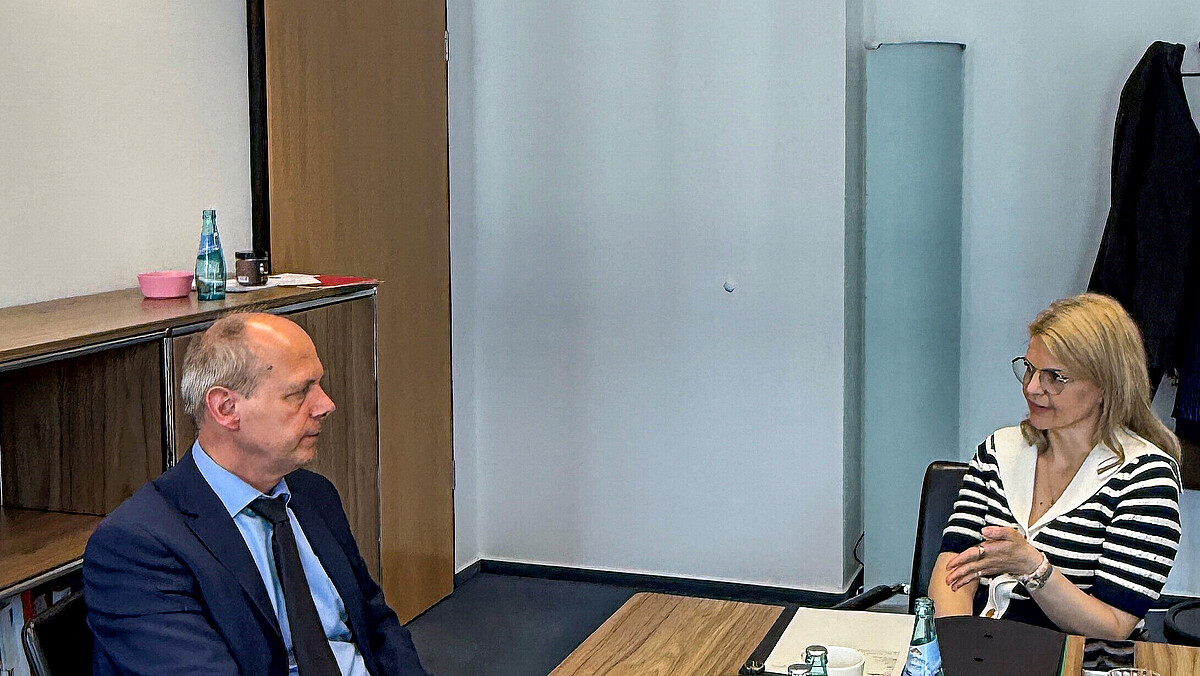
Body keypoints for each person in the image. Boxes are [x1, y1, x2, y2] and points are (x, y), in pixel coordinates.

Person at [84, 313, 429, 675]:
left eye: (319, 385)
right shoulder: (137, 545)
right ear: (226, 408)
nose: (326, 405)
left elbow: (376, 622)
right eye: (299, 393)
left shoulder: (314, 494)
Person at [930, 293, 1182, 640]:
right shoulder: (998, 452)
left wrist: (1033, 568)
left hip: (1081, 659)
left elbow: (1113, 626)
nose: (1032, 388)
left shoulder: (1145, 478)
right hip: (982, 650)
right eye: (1029, 368)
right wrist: (958, 647)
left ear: (1106, 386)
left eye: (1055, 377)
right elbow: (952, 571)